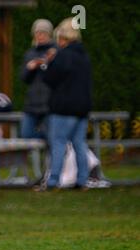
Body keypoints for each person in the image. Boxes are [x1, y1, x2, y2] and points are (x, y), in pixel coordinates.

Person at [41, 18, 92, 190]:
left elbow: (49, 78)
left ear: (63, 38)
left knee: (58, 143)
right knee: (80, 144)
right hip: (82, 108)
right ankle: (82, 180)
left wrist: (48, 63)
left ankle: (53, 180)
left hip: (63, 108)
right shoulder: (84, 56)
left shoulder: (62, 56)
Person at [20, 19, 56, 139]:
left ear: (49, 35)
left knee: (50, 137)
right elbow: (23, 78)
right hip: (31, 105)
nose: (40, 36)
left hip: (50, 105)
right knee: (26, 135)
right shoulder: (29, 53)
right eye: (37, 33)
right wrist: (30, 68)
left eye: (43, 33)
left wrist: (50, 62)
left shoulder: (56, 52)